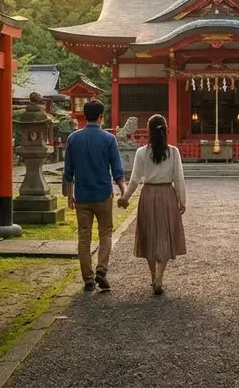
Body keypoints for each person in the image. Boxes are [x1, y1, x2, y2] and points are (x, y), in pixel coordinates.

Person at [118, 114, 186, 296]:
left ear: (148, 130)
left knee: (148, 234)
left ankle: (152, 275)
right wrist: (182, 200)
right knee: (164, 235)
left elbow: (134, 180)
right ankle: (160, 278)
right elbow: (179, 178)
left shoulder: (141, 152)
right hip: (167, 194)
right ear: (165, 130)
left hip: (148, 194)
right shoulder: (173, 152)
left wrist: (125, 198)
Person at [63, 100, 126, 292]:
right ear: (101, 116)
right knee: (105, 233)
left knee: (84, 237)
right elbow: (116, 169)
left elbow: (68, 171)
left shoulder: (73, 139)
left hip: (82, 195)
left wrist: (69, 196)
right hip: (103, 193)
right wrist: (123, 191)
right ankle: (101, 270)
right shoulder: (108, 139)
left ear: (84, 116)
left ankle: (88, 279)